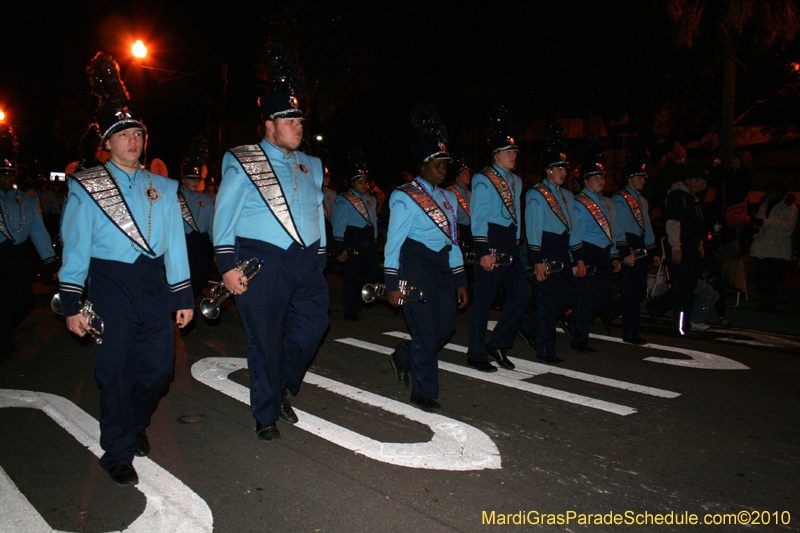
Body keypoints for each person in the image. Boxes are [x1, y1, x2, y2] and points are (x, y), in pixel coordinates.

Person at [59, 53, 193, 486]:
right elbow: (76, 247)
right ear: (109, 143)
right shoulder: (89, 186)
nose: (133, 140)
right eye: (124, 134)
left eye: (137, 133)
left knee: (158, 371)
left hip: (155, 285)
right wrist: (72, 302)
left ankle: (133, 424)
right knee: (114, 373)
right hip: (110, 286)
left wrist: (183, 295)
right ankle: (117, 451)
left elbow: (175, 242)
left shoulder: (165, 186)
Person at [213, 57, 328, 442]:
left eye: (300, 121)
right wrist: (227, 264)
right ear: (269, 125)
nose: (299, 127)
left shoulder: (312, 163)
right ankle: (266, 412)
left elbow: (317, 209)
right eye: (290, 121)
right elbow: (224, 215)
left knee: (314, 326)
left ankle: (278, 386)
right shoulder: (243, 159)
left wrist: (322, 251)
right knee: (264, 337)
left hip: (306, 260)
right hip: (261, 260)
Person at [386, 104, 468, 413]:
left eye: (445, 162)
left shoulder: (449, 198)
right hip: (415, 266)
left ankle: (404, 356)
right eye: (437, 163)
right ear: (423, 165)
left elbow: (454, 241)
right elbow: (393, 243)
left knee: (444, 328)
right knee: (423, 330)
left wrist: (460, 279)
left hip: (443, 267)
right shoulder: (404, 195)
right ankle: (423, 392)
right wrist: (392, 282)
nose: (443, 168)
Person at [466, 107, 527, 372]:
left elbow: (517, 215)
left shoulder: (516, 181)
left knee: (521, 297)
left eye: (515, 152)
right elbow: (477, 217)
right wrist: (483, 251)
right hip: (490, 242)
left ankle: (498, 342)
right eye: (509, 152)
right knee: (483, 301)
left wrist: (518, 242)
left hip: (511, 243)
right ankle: (476, 353)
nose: (514, 156)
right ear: (496, 155)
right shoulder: (483, 178)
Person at [519, 122, 585, 365]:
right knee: (547, 303)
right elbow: (534, 229)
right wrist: (536, 261)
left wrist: (578, 258)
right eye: (558, 168)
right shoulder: (536, 193)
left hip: (563, 249)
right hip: (545, 249)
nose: (563, 172)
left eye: (564, 168)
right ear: (547, 170)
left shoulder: (567, 196)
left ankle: (528, 325)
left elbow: (574, 229)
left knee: (566, 298)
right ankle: (545, 350)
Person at [0, 124, 60, 362]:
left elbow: (40, 234)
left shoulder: (27, 200)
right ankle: (4, 340)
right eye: (2, 173)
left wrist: (52, 266)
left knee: (23, 302)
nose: (7, 178)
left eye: (10, 173)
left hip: (19, 257)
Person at [567, 138, 621, 353]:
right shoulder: (580, 203)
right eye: (596, 177)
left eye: (602, 176)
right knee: (586, 298)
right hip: (587, 252)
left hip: (604, 253)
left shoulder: (608, 203)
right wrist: (575, 258)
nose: (601, 180)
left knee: (605, 295)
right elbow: (575, 233)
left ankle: (575, 321)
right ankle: (579, 338)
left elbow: (613, 231)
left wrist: (615, 254)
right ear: (586, 180)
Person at [606, 153, 660, 344]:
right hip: (628, 246)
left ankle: (607, 313)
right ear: (629, 178)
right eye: (639, 177)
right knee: (631, 292)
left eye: (644, 177)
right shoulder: (620, 199)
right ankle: (630, 333)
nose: (642, 180)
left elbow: (647, 228)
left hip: (640, 246)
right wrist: (624, 252)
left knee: (639, 291)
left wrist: (653, 252)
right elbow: (618, 227)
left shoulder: (642, 201)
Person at [332, 152, 380, 321]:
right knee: (351, 276)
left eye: (365, 181)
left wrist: (375, 240)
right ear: (352, 183)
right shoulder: (344, 199)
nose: (364, 184)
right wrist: (339, 247)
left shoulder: (371, 200)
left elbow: (373, 222)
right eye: (360, 181)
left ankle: (359, 299)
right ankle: (350, 309)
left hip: (367, 240)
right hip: (352, 238)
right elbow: (339, 223)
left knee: (371, 274)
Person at [663, 163, 708, 336]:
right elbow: (673, 223)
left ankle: (662, 310)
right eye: (701, 182)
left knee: (688, 286)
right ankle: (682, 326)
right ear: (691, 180)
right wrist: (676, 246)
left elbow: (697, 224)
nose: (703, 187)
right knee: (683, 288)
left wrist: (699, 243)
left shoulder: (692, 198)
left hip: (691, 248)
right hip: (682, 248)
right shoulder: (678, 196)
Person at [751, 181, 798, 312]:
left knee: (772, 279)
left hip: (777, 248)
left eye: (772, 193)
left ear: (779, 193)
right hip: (762, 246)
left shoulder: (790, 207)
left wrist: (764, 222)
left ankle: (770, 305)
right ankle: (764, 304)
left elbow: (787, 225)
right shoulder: (765, 203)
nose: (769, 196)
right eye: (768, 193)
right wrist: (758, 223)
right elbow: (760, 222)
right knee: (761, 278)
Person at [178, 136, 215, 298]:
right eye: (192, 178)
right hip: (181, 243)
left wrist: (216, 248)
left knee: (200, 279)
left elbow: (212, 226)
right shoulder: (174, 199)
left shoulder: (206, 200)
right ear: (183, 179)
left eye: (198, 178)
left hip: (200, 244)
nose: (195, 181)